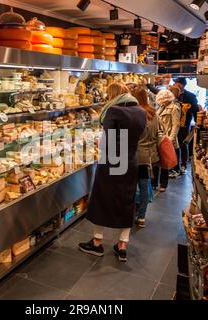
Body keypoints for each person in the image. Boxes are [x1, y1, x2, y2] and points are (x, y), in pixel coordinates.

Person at [78, 82, 146, 262]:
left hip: (111, 162)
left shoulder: (114, 111)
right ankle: (122, 245)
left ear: (113, 95)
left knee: (102, 199)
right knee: (126, 200)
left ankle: (97, 242)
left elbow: (106, 141)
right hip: (130, 160)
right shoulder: (141, 112)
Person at [131, 86, 159, 228]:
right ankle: (141, 217)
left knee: (130, 186)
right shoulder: (154, 113)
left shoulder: (135, 114)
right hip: (149, 156)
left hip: (135, 155)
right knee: (143, 187)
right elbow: (158, 133)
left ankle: (129, 213)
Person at [152, 89, 181, 193]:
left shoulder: (174, 108)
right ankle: (154, 182)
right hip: (158, 138)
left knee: (165, 163)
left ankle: (163, 184)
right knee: (156, 161)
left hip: (167, 138)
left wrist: (170, 139)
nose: (162, 102)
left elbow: (176, 125)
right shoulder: (160, 108)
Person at [172, 78, 198, 175]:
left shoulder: (190, 96)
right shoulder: (173, 94)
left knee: (183, 144)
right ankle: (175, 166)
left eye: (176, 82)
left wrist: (197, 123)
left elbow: (195, 110)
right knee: (174, 144)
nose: (174, 84)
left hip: (184, 125)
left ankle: (183, 165)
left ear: (181, 85)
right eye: (174, 82)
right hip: (173, 124)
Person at [168, 85, 182, 178]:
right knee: (175, 150)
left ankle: (176, 169)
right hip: (170, 134)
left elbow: (176, 124)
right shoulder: (175, 104)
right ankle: (175, 169)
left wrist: (171, 138)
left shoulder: (175, 106)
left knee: (175, 150)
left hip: (171, 134)